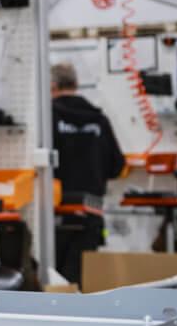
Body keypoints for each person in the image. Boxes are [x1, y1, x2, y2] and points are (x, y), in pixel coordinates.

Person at [51, 61, 125, 284]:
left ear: (52, 86)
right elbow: (117, 165)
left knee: (55, 282)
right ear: (76, 84)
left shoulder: (47, 118)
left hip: (56, 210)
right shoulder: (99, 119)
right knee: (84, 280)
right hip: (91, 208)